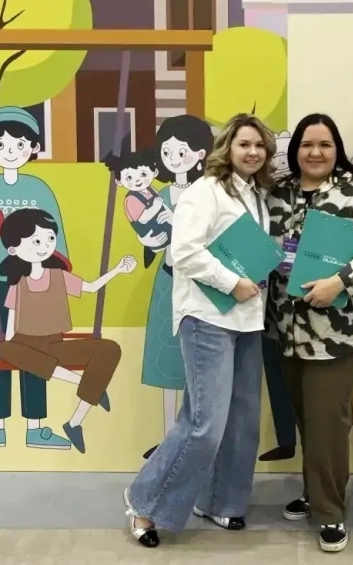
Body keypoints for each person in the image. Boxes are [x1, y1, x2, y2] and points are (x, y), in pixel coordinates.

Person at [123, 113, 276, 548]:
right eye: (244, 144)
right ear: (226, 147)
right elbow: (185, 252)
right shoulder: (204, 191)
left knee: (241, 420)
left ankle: (220, 502)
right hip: (207, 317)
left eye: (259, 145)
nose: (252, 152)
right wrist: (232, 282)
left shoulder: (257, 195)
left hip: (247, 319)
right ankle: (144, 502)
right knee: (204, 424)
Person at [266, 113, 353, 553]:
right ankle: (316, 491)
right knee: (308, 420)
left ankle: (330, 512)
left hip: (339, 333)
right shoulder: (277, 194)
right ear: (294, 150)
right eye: (307, 144)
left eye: (325, 144)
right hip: (286, 329)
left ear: (337, 149)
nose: (315, 152)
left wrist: (339, 281)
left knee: (327, 423)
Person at [0, 208, 135, 453]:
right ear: (13, 250)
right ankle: (87, 384)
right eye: (36, 241)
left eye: (50, 239)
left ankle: (74, 423)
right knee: (7, 349)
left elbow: (91, 288)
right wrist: (9, 345)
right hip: (23, 344)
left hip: (54, 344)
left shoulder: (60, 276)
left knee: (109, 350)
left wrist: (117, 270)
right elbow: (11, 318)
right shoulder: (17, 283)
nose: (45, 246)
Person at [137, 115, 214, 460]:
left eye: (181, 151)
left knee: (196, 362)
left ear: (200, 154)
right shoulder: (160, 195)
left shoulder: (208, 193)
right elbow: (151, 239)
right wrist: (151, 238)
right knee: (164, 356)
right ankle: (169, 434)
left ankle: (194, 433)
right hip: (167, 280)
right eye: (167, 151)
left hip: (201, 283)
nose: (173, 158)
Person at [0, 106, 72, 449]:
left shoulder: (39, 189)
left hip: (31, 284)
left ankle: (36, 426)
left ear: (33, 148)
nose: (10, 151)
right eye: (2, 144)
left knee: (34, 350)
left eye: (18, 144)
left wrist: (54, 277)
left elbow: (55, 235)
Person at [102, 148, 172, 253]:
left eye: (143, 174)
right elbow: (142, 219)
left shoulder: (152, 189)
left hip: (168, 234)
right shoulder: (131, 200)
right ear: (119, 182)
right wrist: (155, 208)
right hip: (155, 239)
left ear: (155, 172)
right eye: (129, 177)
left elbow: (163, 204)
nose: (138, 180)